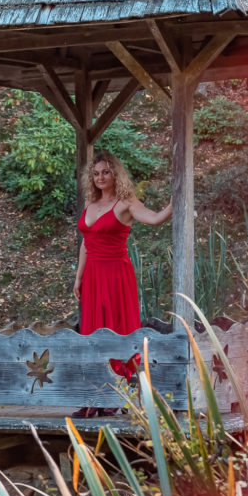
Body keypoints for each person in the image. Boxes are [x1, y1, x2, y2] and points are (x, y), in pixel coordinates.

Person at [72, 151, 172, 417]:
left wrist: (173, 205)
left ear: (115, 174)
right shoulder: (90, 204)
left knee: (115, 327)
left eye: (105, 172)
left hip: (116, 274)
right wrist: (79, 277)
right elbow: (86, 241)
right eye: (95, 174)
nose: (100, 178)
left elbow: (153, 218)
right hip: (92, 275)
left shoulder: (126, 203)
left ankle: (118, 394)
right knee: (92, 331)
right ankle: (94, 395)